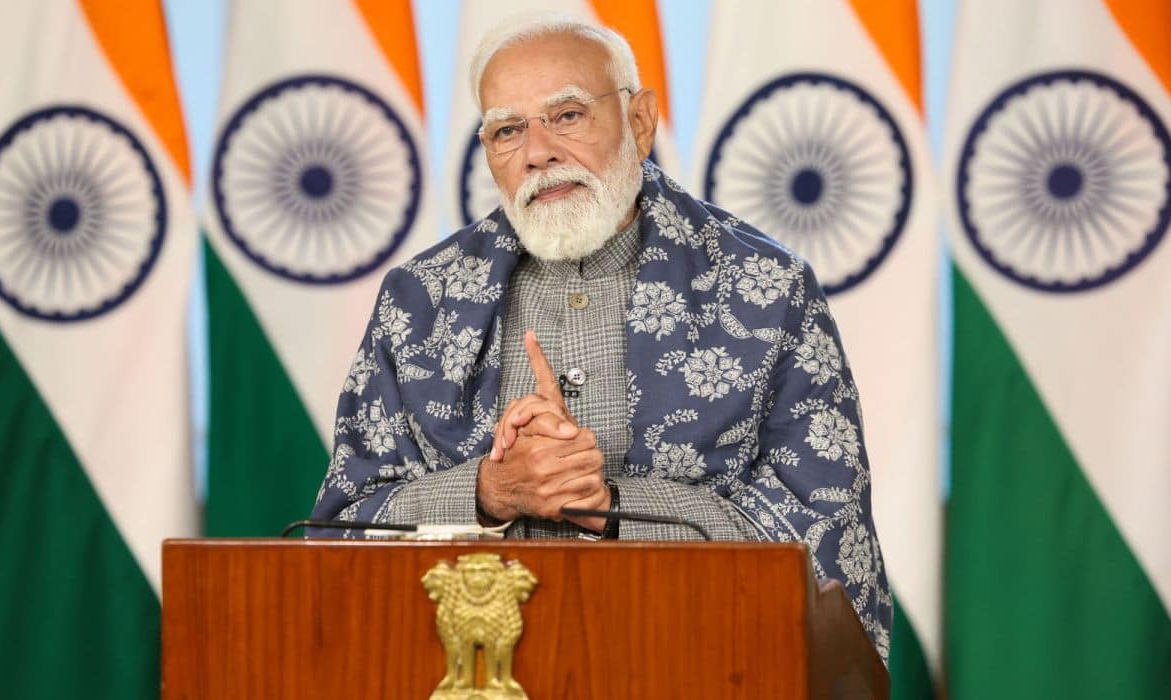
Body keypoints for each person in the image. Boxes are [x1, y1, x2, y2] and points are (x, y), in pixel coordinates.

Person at [310, 12, 890, 659]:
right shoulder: (418, 300)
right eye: (507, 130)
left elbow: (823, 537)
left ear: (640, 122)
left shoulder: (769, 288)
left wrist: (609, 506)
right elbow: (339, 529)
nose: (538, 152)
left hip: (698, 664)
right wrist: (486, 492)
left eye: (567, 116)